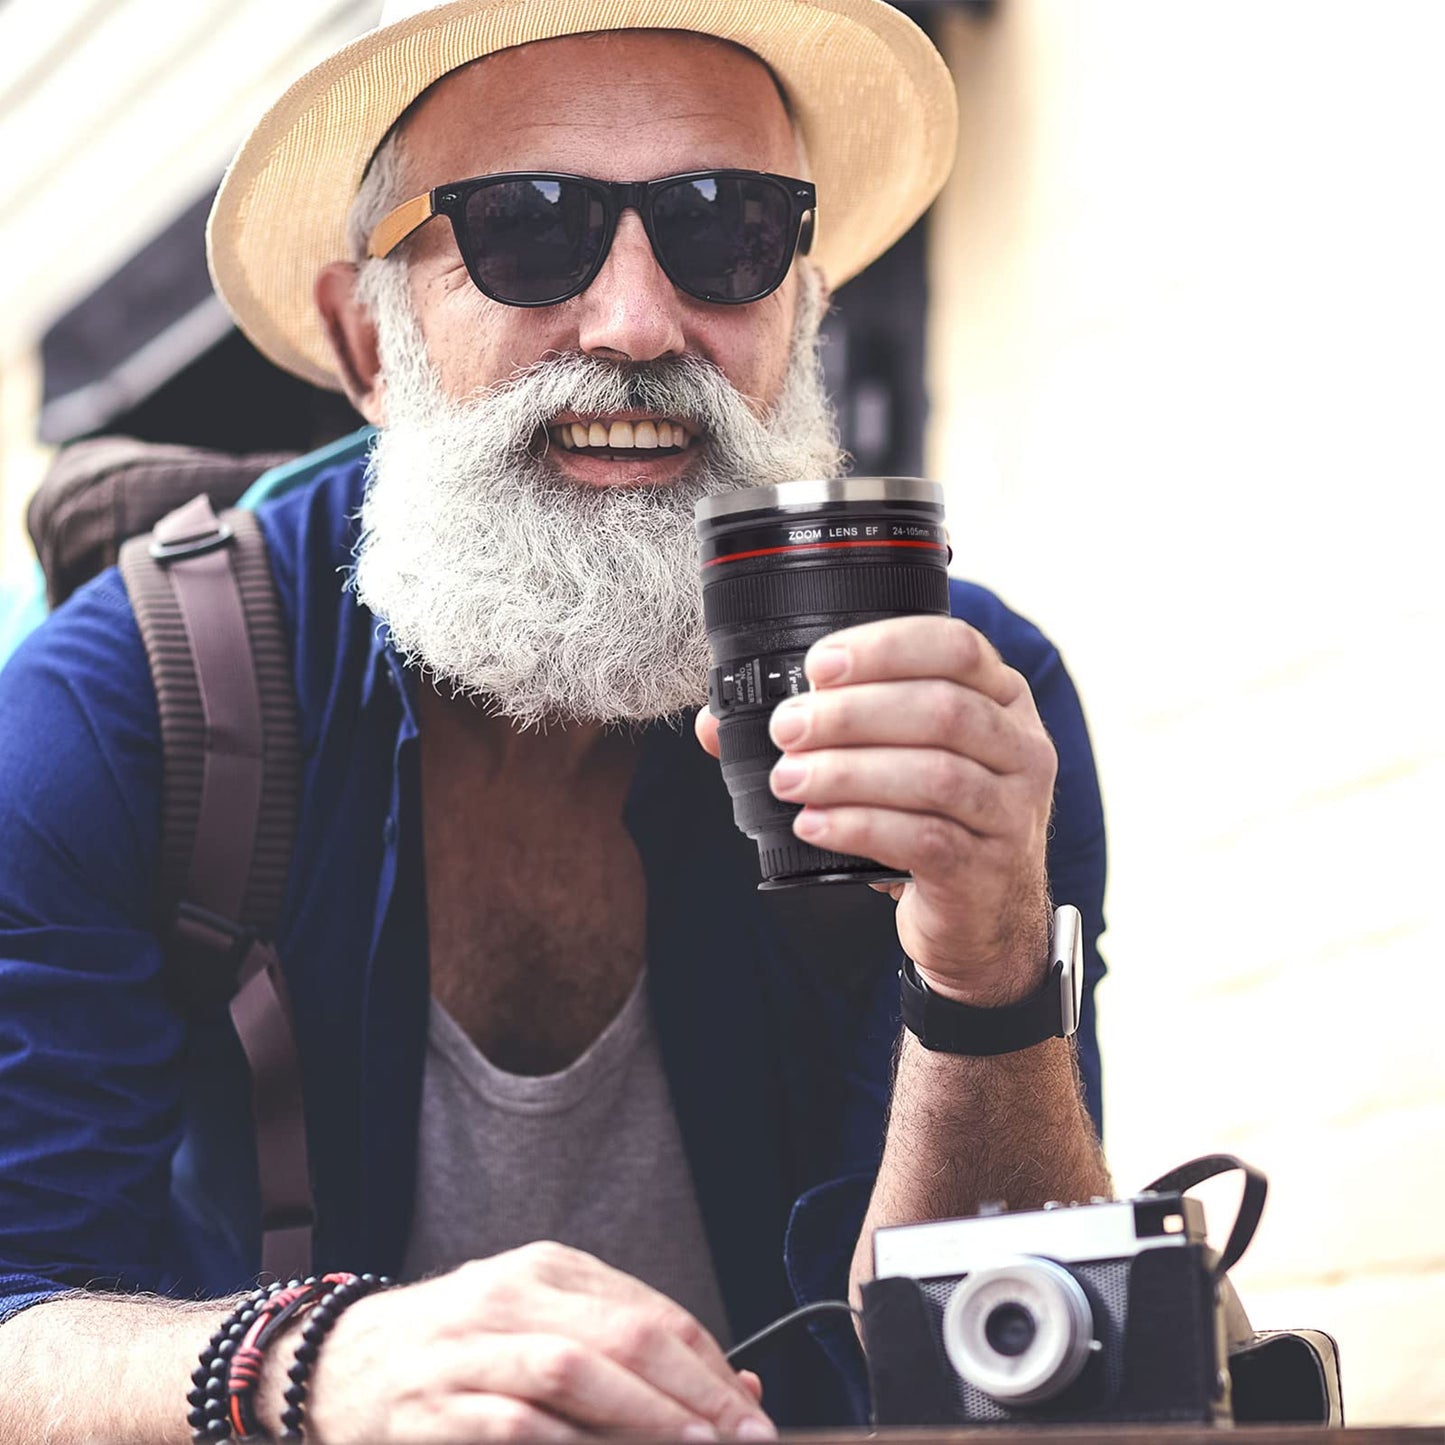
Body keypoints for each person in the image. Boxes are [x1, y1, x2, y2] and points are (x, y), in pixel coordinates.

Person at [0, 1, 1112, 1440]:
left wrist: (987, 971)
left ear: (799, 306)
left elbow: (1001, 1368)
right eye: (530, 229)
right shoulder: (127, 709)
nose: (642, 324)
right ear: (366, 337)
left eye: (726, 232)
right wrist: (312, 1365)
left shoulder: (965, 712)